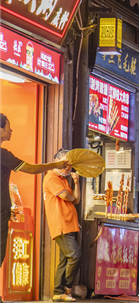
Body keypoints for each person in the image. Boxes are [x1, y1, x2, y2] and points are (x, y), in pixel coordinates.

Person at [1, 113, 69, 267]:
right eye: (8, 127)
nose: (11, 130)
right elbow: (31, 169)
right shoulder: (3, 155)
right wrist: (56, 165)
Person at [44, 150, 81, 302]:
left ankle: (58, 292)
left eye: (70, 165)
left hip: (69, 224)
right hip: (61, 224)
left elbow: (76, 200)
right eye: (65, 164)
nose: (67, 168)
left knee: (64, 259)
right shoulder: (51, 177)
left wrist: (77, 183)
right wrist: (71, 198)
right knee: (74, 255)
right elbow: (65, 196)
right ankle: (67, 287)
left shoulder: (63, 180)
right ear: (57, 161)